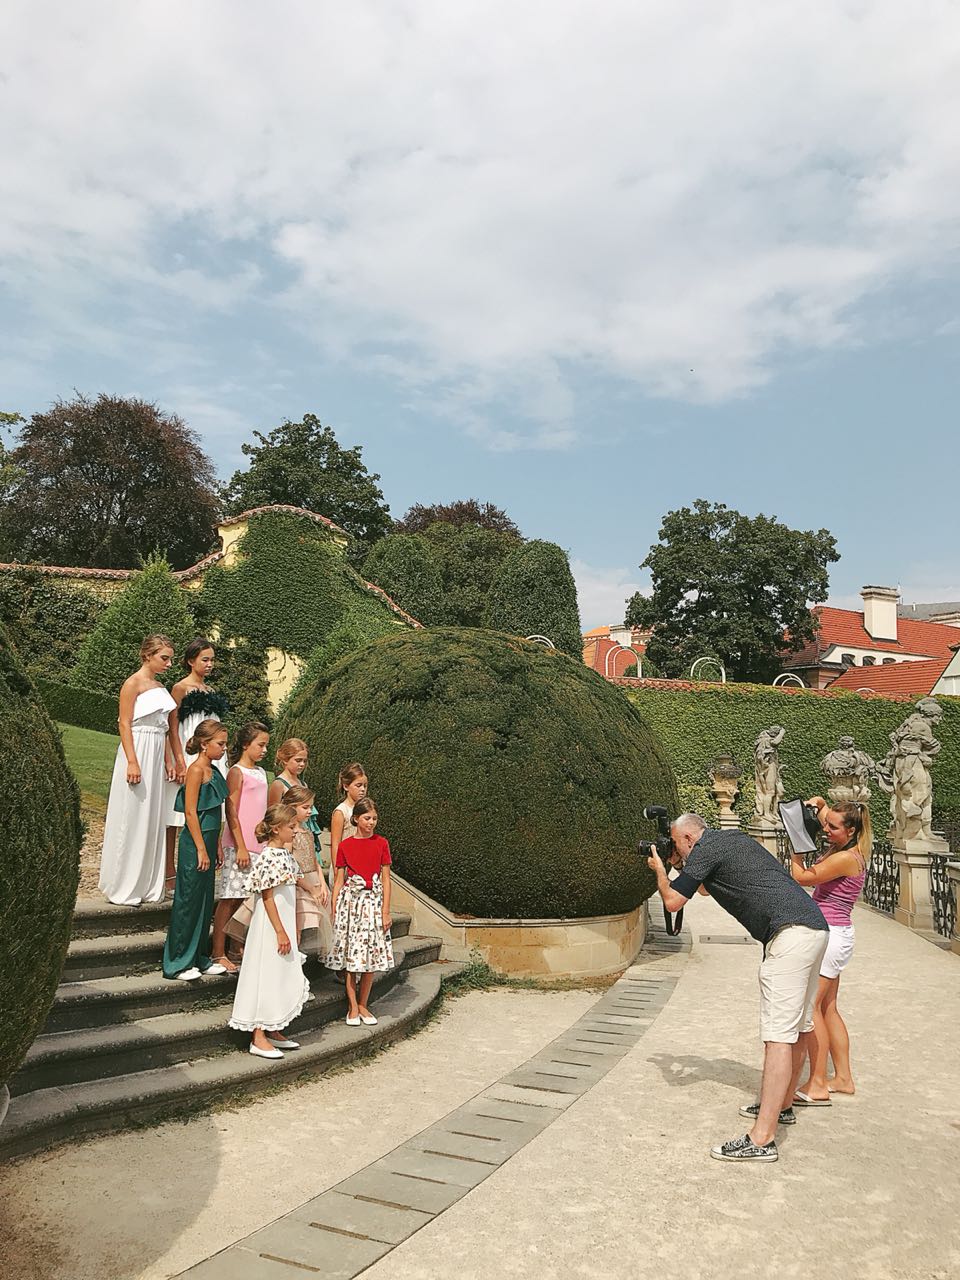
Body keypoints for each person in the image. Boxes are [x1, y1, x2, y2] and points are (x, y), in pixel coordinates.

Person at [648, 814, 828, 1163]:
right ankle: (783, 1105)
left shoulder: (705, 848)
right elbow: (703, 887)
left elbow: (672, 901)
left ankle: (762, 1139)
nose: (677, 849)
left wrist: (660, 869)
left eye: (678, 843)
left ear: (688, 838)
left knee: (778, 1036)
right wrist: (678, 864)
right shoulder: (729, 839)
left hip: (788, 935)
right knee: (799, 1027)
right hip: (813, 928)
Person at [788, 796, 871, 1102]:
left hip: (831, 936)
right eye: (827, 824)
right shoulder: (849, 843)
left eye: (833, 828)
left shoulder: (845, 858)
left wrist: (796, 849)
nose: (826, 830)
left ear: (850, 831)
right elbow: (828, 815)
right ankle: (844, 1079)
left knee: (812, 1008)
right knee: (828, 1008)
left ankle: (818, 1083)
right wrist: (820, 803)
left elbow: (802, 877)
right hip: (837, 934)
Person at [228, 804, 319, 1059]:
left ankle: (273, 1026)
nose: (295, 830)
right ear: (277, 829)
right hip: (270, 925)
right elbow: (267, 897)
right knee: (266, 972)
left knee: (280, 972)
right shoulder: (268, 856)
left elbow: (294, 877)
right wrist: (279, 931)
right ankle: (258, 1036)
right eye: (291, 827)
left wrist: (311, 889)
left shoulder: (284, 854)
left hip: (285, 921)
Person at [99, 635, 183, 905]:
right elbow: (124, 723)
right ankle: (124, 883)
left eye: (170, 658)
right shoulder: (132, 684)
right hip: (138, 748)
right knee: (132, 813)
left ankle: (147, 883)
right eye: (164, 658)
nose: (169, 664)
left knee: (152, 815)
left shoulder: (161, 687)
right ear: (148, 655)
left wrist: (169, 761)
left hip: (156, 752)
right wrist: (133, 761)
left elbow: (166, 728)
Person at [162, 721, 244, 981]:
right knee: (188, 902)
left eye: (225, 743)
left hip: (209, 843)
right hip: (194, 845)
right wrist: (200, 849)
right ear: (204, 744)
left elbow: (215, 813)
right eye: (220, 743)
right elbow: (190, 813)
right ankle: (177, 962)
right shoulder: (196, 770)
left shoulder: (215, 770)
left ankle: (199, 957)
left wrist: (216, 845)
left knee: (204, 902)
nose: (224, 748)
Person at [163, 638, 230, 895]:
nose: (210, 664)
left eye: (212, 659)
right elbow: (172, 727)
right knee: (176, 813)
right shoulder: (180, 688)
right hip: (188, 751)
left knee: (207, 809)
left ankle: (204, 859)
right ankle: (169, 869)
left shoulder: (211, 690)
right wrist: (178, 760)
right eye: (205, 659)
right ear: (191, 661)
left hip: (210, 755)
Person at [327, 796, 394, 1026]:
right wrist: (334, 908)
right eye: (367, 818)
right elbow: (339, 880)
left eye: (374, 818)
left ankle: (364, 1004)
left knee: (370, 955)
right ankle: (352, 1006)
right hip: (351, 905)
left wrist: (386, 911)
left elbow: (386, 879)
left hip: (373, 903)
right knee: (352, 955)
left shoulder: (382, 843)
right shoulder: (345, 846)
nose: (371, 822)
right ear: (355, 819)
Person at [210, 722, 268, 972]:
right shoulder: (236, 772)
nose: (265, 750)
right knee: (230, 898)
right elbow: (231, 811)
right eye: (260, 745)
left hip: (259, 845)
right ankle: (217, 952)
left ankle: (236, 946)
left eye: (266, 745)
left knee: (247, 899)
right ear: (246, 744)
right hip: (238, 845)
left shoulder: (261, 772)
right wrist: (240, 846)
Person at [268, 738, 326, 879]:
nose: (302, 764)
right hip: (288, 837)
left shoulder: (303, 784)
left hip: (304, 833)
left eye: (304, 761)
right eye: (298, 760)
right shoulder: (279, 784)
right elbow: (272, 816)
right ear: (285, 760)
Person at [330, 762, 367, 889]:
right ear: (346, 786)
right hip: (344, 868)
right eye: (358, 785)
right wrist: (338, 872)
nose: (362, 789)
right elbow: (335, 844)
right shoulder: (341, 811)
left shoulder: (365, 810)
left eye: (365, 786)